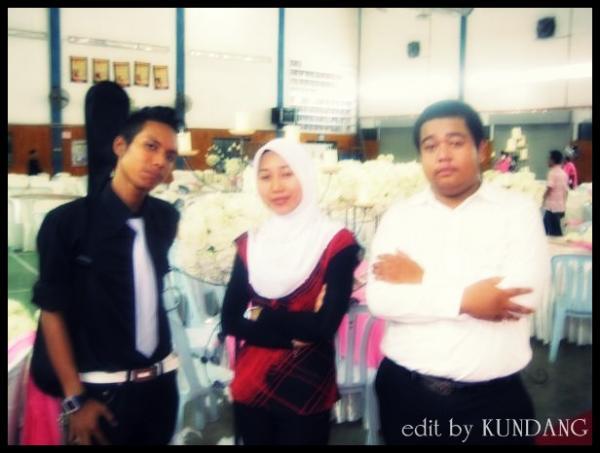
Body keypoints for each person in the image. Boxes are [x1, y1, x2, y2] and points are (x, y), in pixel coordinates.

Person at [366, 99, 549, 445]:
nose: (443, 155)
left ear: (482, 149)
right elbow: (381, 300)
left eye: (455, 142)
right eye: (430, 146)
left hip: (492, 403)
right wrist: (468, 298)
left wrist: (421, 278)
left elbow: (522, 298)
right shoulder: (400, 217)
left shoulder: (517, 212)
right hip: (406, 394)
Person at [32, 107, 181, 445]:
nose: (160, 161)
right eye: (151, 146)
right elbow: (51, 312)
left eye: (170, 156)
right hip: (101, 395)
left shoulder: (165, 219)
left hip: (161, 389)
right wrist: (75, 399)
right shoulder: (67, 223)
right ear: (120, 146)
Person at [221, 138, 360, 445]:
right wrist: (290, 335)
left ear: (305, 175)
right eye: (265, 176)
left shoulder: (336, 242)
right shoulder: (251, 242)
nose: (276, 187)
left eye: (287, 173)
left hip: (306, 385)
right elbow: (230, 319)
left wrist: (257, 313)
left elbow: (323, 326)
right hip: (250, 382)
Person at [542, 150, 569, 236]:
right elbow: (566, 191)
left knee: (553, 232)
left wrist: (543, 197)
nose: (547, 161)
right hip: (560, 207)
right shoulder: (564, 173)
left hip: (552, 208)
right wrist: (564, 204)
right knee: (551, 228)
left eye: (548, 159)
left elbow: (550, 187)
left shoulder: (552, 173)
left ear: (553, 160)